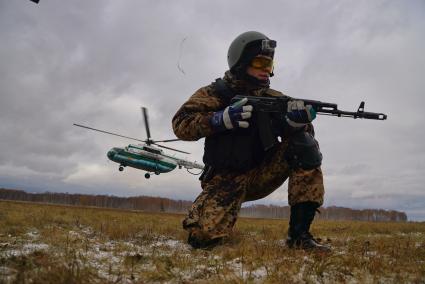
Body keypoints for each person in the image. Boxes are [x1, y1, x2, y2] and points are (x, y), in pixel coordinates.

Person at [172, 31, 330, 251]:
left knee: (304, 145)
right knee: (202, 239)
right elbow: (180, 124)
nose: (266, 70)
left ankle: (299, 237)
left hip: (261, 174)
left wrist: (296, 123)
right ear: (241, 62)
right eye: (260, 62)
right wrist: (219, 120)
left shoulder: (276, 98)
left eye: (269, 64)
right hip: (224, 179)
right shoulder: (214, 93)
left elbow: (305, 138)